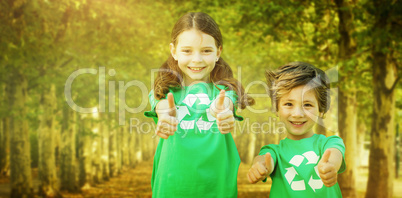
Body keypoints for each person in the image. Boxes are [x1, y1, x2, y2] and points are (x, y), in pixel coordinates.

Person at [144, 12, 254, 198]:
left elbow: (226, 103)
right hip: (171, 187)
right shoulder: (163, 91)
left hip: (217, 188)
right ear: (174, 51)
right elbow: (161, 105)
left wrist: (223, 111)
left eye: (206, 51)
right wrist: (164, 116)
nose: (197, 59)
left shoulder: (226, 91)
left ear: (218, 52)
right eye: (187, 51)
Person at [247, 62, 346, 197]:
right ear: (276, 108)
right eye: (288, 104)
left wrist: (331, 166)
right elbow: (263, 160)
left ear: (321, 110)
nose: (297, 114)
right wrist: (260, 167)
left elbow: (335, 154)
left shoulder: (330, 143)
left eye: (307, 104)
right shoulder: (274, 151)